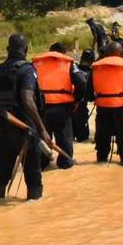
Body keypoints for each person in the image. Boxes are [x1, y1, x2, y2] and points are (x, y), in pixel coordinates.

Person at [0, 34, 50, 202]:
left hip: (0, 129)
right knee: (33, 174)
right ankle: (35, 207)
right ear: (26, 50)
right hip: (24, 130)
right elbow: (28, 100)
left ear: (8, 49)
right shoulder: (27, 70)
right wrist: (42, 129)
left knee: (2, 172)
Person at [31, 42, 86, 170]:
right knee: (64, 138)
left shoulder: (35, 64)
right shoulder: (68, 63)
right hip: (63, 108)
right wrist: (76, 100)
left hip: (41, 108)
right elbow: (82, 82)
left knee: (43, 136)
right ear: (63, 54)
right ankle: (65, 162)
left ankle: (43, 163)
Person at [72, 49, 95, 143]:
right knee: (82, 137)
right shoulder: (92, 73)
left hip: (69, 105)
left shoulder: (74, 69)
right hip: (80, 105)